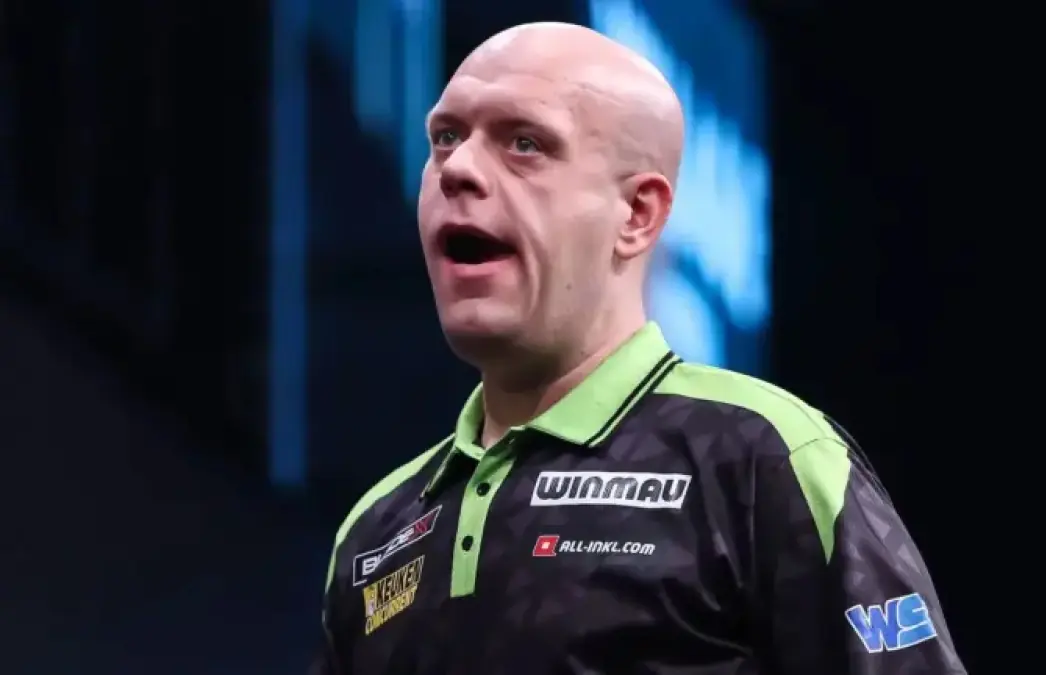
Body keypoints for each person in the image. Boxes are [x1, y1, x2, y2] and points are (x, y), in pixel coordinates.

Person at [312, 21, 966, 675]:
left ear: (637, 214)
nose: (457, 169)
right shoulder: (373, 533)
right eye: (446, 137)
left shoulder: (764, 459)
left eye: (524, 143)